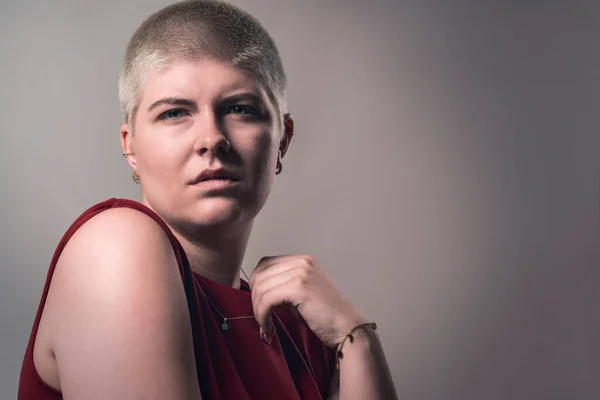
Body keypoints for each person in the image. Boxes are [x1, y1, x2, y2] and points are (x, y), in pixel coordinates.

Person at [18, 1, 398, 399]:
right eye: (174, 113)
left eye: (240, 109)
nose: (212, 139)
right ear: (130, 146)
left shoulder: (301, 326)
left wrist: (359, 340)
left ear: (282, 139)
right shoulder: (114, 248)